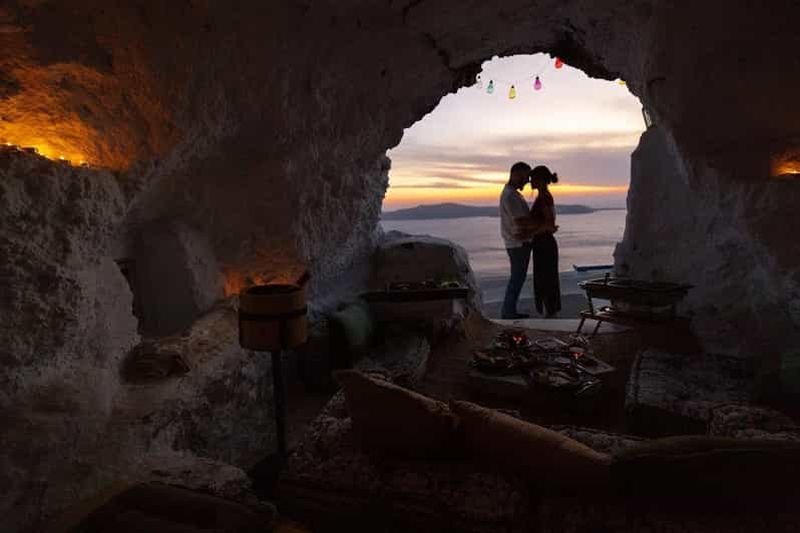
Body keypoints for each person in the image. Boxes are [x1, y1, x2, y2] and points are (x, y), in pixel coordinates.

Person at [499, 161, 540, 319]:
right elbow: (521, 221)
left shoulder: (512, 194)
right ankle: (508, 312)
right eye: (525, 177)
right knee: (517, 279)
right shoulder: (511, 195)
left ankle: (509, 311)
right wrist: (541, 226)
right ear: (516, 175)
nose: (527, 181)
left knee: (517, 278)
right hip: (518, 244)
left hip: (517, 243)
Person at [529, 165, 562, 317]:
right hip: (543, 242)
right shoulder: (544, 196)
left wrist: (530, 233)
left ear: (541, 180)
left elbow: (549, 223)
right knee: (546, 278)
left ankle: (550, 312)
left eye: (533, 179)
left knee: (545, 278)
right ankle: (550, 310)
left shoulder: (544, 198)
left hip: (544, 243)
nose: (530, 182)